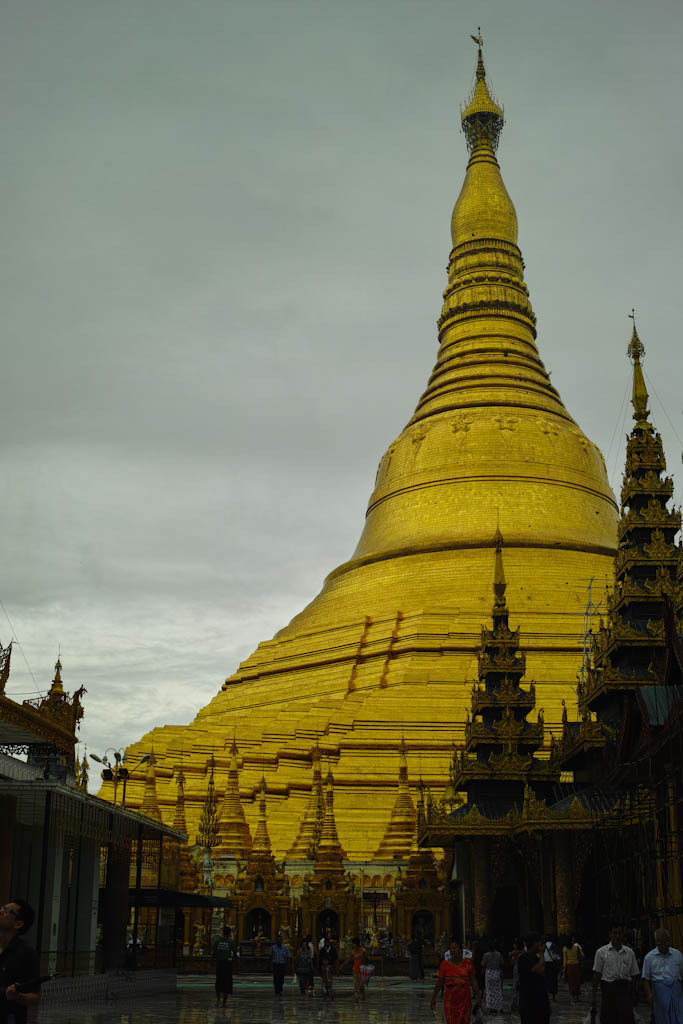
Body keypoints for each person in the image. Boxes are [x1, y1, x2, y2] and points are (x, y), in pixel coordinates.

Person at [0, 900, 41, 1024]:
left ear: (18, 924)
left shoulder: (26, 953)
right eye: (2, 907)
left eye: (7, 911)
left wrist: (17, 996)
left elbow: (35, 998)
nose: (1, 911)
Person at [591, 923, 640, 1024]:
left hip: (624, 992)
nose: (617, 936)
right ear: (610, 934)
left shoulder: (629, 952)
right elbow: (596, 975)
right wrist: (594, 997)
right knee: (609, 1019)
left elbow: (634, 975)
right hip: (608, 992)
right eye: (615, 933)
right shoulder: (601, 952)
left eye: (620, 933)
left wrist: (634, 993)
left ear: (623, 935)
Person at [430, 940, 480, 1024]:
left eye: (455, 948)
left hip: (464, 998)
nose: (453, 950)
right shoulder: (444, 964)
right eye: (451, 948)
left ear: (461, 950)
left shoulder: (468, 964)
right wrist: (433, 997)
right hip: (450, 999)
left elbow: (473, 981)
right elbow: (440, 982)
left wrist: (478, 996)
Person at [642, 928, 683, 1024]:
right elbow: (645, 978)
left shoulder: (677, 954)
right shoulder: (649, 957)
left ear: (669, 941)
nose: (663, 944)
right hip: (660, 993)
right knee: (662, 1018)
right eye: (660, 942)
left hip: (676, 992)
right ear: (656, 942)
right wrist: (649, 995)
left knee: (679, 1016)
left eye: (666, 941)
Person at [518, 933, 550, 1024]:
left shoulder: (536, 958)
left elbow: (542, 971)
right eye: (538, 942)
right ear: (533, 943)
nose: (540, 945)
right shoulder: (523, 958)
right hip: (529, 1001)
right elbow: (537, 969)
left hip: (541, 1001)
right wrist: (542, 954)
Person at [212, 925, 237, 1007]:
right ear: (230, 933)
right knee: (227, 983)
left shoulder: (217, 941)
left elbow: (214, 953)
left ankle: (218, 1000)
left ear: (222, 933)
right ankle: (224, 1003)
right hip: (227, 964)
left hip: (219, 964)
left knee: (219, 981)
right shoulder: (230, 942)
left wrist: (215, 960)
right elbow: (235, 954)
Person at [482, 943, 505, 1012]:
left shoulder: (486, 955)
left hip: (489, 973)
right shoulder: (499, 954)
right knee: (498, 990)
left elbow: (483, 964)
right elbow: (502, 963)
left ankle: (491, 1007)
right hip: (497, 972)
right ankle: (499, 1006)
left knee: (489, 991)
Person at [562, 936, 585, 1004]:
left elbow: (564, 959)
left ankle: (572, 998)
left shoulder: (565, 948)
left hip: (569, 966)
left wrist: (564, 968)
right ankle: (577, 997)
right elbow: (583, 955)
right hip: (576, 965)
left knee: (571, 982)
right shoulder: (576, 947)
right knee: (577, 981)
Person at [318, 935, 337, 1000]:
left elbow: (335, 958)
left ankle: (330, 993)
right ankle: (325, 994)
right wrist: (322, 964)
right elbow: (320, 959)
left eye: (328, 942)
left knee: (329, 981)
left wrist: (331, 964)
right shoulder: (322, 950)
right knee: (324, 981)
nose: (327, 944)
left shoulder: (333, 950)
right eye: (326, 942)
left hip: (330, 967)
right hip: (324, 967)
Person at [543, 935, 561, 1001]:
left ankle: (546, 995)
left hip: (546, 964)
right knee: (553, 980)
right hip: (553, 964)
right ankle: (553, 996)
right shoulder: (554, 946)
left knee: (546, 980)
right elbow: (558, 956)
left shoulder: (543, 946)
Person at [509, 939, 522, 1011]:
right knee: (516, 987)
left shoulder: (518, 952)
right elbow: (511, 962)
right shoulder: (515, 953)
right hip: (516, 969)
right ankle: (515, 1004)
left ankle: (516, 1004)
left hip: (518, 970)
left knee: (517, 987)